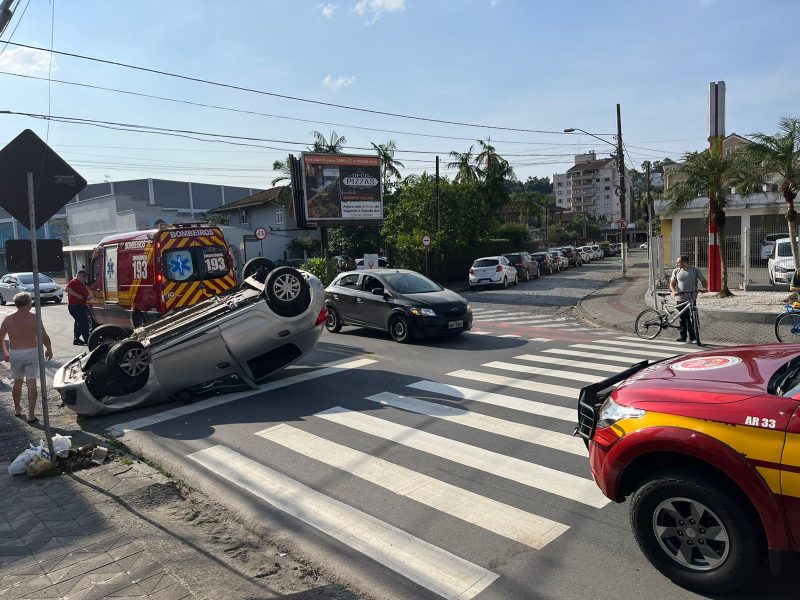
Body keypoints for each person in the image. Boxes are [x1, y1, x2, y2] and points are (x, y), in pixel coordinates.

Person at [0, 292, 53, 423]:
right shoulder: (34, 318)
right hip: (32, 352)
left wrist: (5, 352)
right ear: (29, 303)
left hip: (16, 353)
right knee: (31, 382)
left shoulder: (8, 319)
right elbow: (44, 336)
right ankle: (31, 414)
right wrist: (49, 348)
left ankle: (17, 409)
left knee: (17, 381)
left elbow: (1, 338)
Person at [669, 255, 708, 342]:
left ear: (684, 262)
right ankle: (683, 337)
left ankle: (693, 337)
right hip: (680, 299)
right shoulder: (676, 271)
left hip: (691, 298)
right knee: (682, 318)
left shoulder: (695, 270)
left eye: (678, 262)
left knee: (691, 318)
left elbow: (703, 280)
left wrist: (705, 288)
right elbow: (672, 283)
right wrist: (673, 291)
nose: (677, 264)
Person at [65, 269, 92, 345]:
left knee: (78, 323)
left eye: (86, 276)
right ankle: (88, 340)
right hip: (75, 306)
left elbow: (84, 293)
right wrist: (77, 295)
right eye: (84, 276)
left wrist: (87, 297)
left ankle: (76, 339)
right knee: (83, 323)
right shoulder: (74, 282)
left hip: (81, 305)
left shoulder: (81, 283)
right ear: (78, 275)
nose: (85, 278)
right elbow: (67, 289)